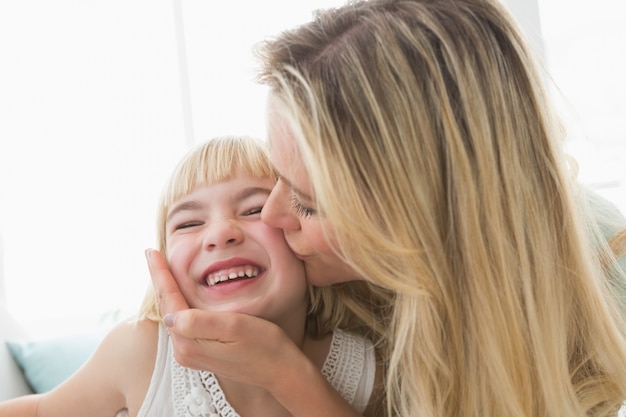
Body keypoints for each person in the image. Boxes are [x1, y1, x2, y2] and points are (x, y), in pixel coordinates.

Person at [150, 1, 626, 417]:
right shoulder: (327, 285)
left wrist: (288, 377)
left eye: (308, 205)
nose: (272, 216)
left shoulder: (605, 281)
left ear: (419, 227)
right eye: (278, 179)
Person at [0, 136, 384, 417]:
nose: (220, 233)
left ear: (301, 236)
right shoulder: (142, 351)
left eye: (253, 209)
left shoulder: (369, 370)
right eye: (190, 222)